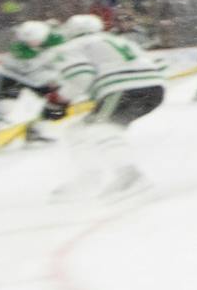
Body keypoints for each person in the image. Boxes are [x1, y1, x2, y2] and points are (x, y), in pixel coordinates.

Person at [36, 13, 169, 199]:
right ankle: (89, 177)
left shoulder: (70, 47)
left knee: (101, 129)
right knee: (80, 130)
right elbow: (158, 65)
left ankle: (129, 176)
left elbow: (81, 77)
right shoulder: (116, 40)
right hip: (154, 88)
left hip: (121, 89)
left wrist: (57, 101)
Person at [0, 20, 65, 149]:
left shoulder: (56, 40)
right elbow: (30, 66)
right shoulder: (19, 48)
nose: (30, 43)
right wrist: (50, 56)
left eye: (35, 40)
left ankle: (35, 131)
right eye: (27, 41)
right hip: (13, 76)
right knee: (4, 106)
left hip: (37, 78)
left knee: (51, 104)